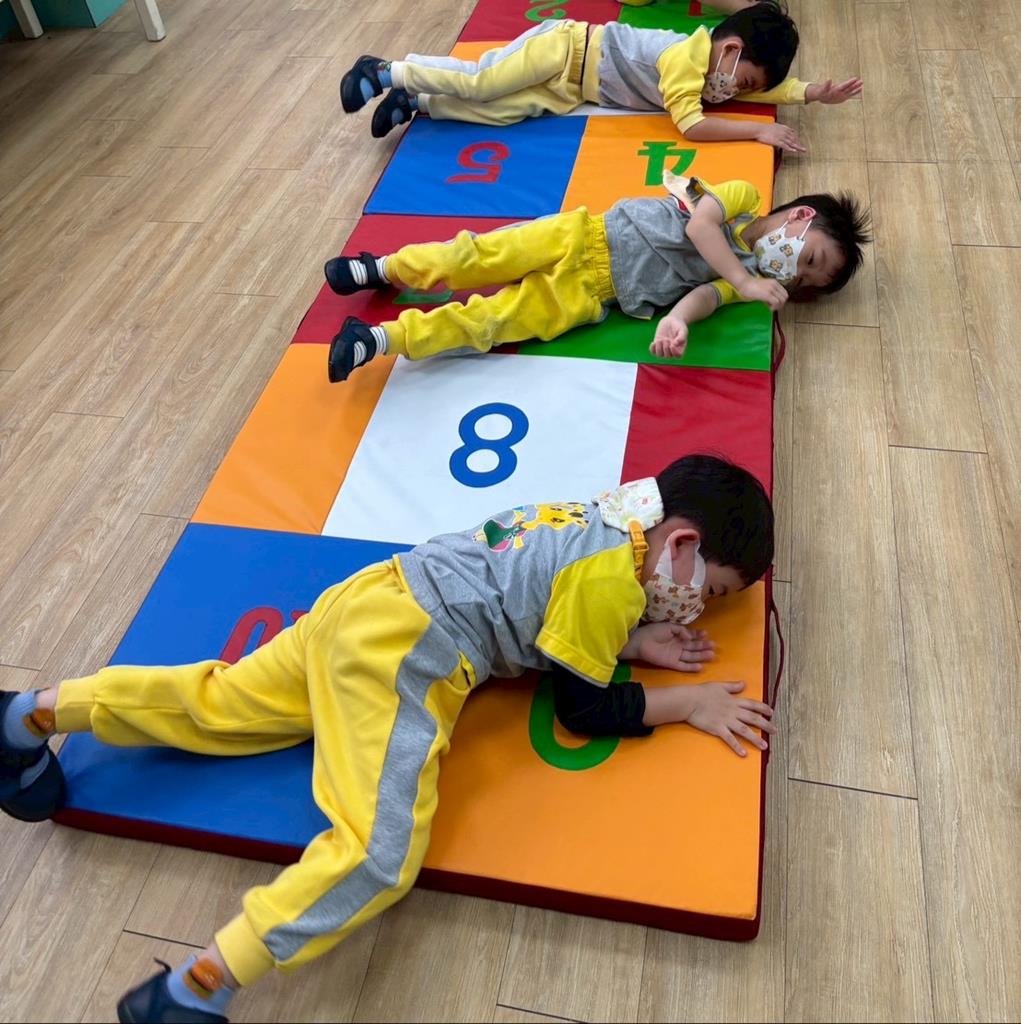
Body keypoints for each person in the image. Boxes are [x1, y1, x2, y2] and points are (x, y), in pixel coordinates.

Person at [1, 455, 775, 1023]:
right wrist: (686, 703)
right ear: (679, 543)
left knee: (221, 701)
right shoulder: (609, 580)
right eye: (707, 592)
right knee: (378, 855)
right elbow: (584, 709)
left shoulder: (607, 513)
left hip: (374, 594)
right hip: (405, 650)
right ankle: (196, 987)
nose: (694, 610)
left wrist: (629, 641)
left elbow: (542, 598)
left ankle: (29, 716)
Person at [323, 174, 870, 381]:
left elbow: (708, 295)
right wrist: (747, 283)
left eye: (803, 282)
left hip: (595, 293)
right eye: (809, 259)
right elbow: (701, 224)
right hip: (584, 235)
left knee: (494, 322)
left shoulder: (744, 278)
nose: (793, 273)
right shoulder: (743, 199)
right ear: (800, 218)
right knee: (474, 256)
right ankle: (383, 267)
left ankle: (381, 339)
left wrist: (678, 321)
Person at [340, 2, 861, 151]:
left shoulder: (720, 69)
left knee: (502, 112)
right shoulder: (685, 61)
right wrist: (756, 131)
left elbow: (769, 87)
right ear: (729, 50)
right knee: (484, 81)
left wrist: (813, 93)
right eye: (742, 82)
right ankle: (385, 71)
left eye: (747, 90)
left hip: (572, 88)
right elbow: (692, 127)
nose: (737, 93)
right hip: (565, 49)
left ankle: (417, 102)